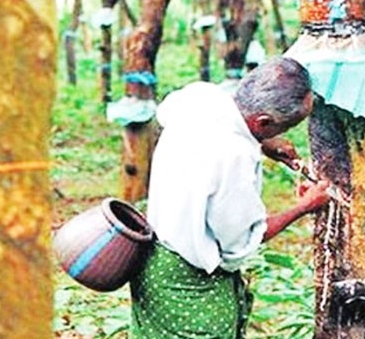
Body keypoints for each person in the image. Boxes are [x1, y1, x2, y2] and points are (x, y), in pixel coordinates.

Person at [130, 57, 331, 338]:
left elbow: (173, 113)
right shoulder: (235, 156)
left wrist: (262, 141)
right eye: (283, 128)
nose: (283, 135)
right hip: (188, 283)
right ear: (262, 121)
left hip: (152, 263)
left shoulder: (200, 98)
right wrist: (304, 206)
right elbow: (238, 243)